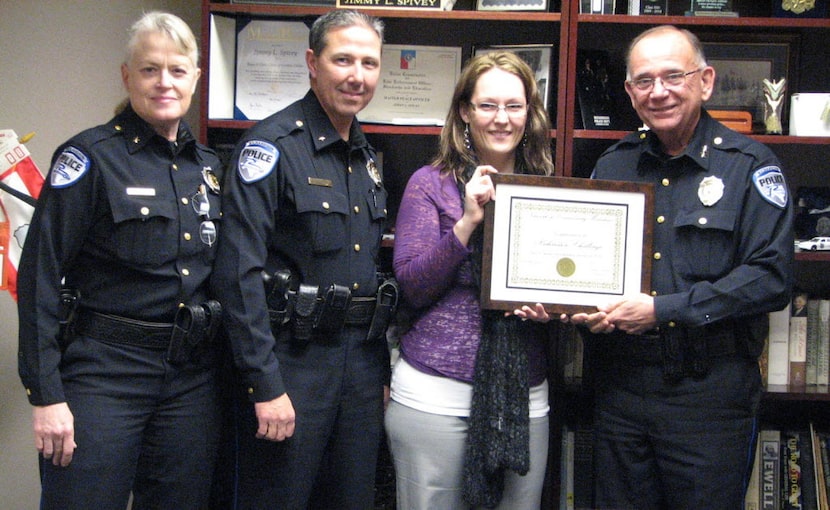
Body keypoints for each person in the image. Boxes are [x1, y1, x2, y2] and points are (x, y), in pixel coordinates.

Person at [569, 25, 794, 509]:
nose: (660, 91)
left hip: (709, 396)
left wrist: (662, 310)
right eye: (644, 81)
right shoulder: (613, 166)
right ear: (630, 93)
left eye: (674, 76)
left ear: (705, 81)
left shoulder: (750, 165)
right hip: (622, 391)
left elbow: (771, 277)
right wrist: (580, 307)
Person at [17, 11, 223, 509]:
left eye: (177, 70)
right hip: (105, 374)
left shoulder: (210, 170)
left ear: (196, 77)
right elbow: (39, 276)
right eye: (150, 69)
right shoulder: (89, 157)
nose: (164, 82)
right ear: (127, 76)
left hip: (191, 379)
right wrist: (45, 394)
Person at [211, 9, 391, 509]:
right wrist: (264, 383)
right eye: (343, 60)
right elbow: (237, 273)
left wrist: (378, 374)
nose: (357, 75)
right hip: (291, 366)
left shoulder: (367, 157)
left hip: (358, 368)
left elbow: (369, 274)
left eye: (369, 63)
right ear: (313, 62)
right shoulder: (270, 146)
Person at [385, 51, 555, 509]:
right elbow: (413, 285)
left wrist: (552, 310)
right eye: (487, 105)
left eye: (514, 106)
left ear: (529, 112)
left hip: (523, 397)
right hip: (434, 399)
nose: (502, 119)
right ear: (464, 110)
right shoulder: (429, 184)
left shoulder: (551, 189)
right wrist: (467, 221)